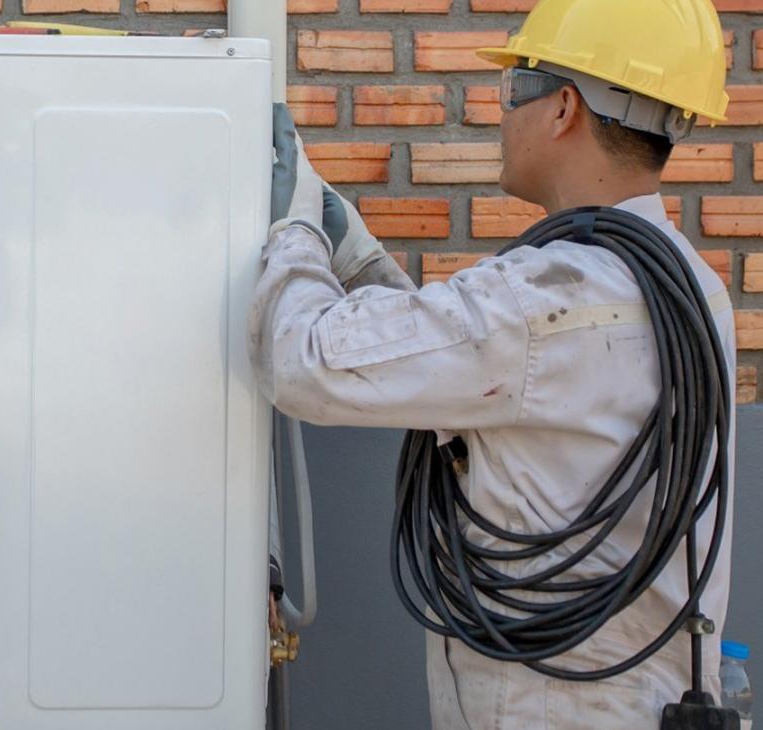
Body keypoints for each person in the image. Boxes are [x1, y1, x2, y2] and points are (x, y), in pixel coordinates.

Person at [251, 0, 736, 727]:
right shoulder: (693, 289)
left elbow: (304, 361)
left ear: (564, 107)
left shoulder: (543, 300)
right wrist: (353, 254)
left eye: (515, 91)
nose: (500, 115)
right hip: (649, 694)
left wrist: (289, 230)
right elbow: (473, 377)